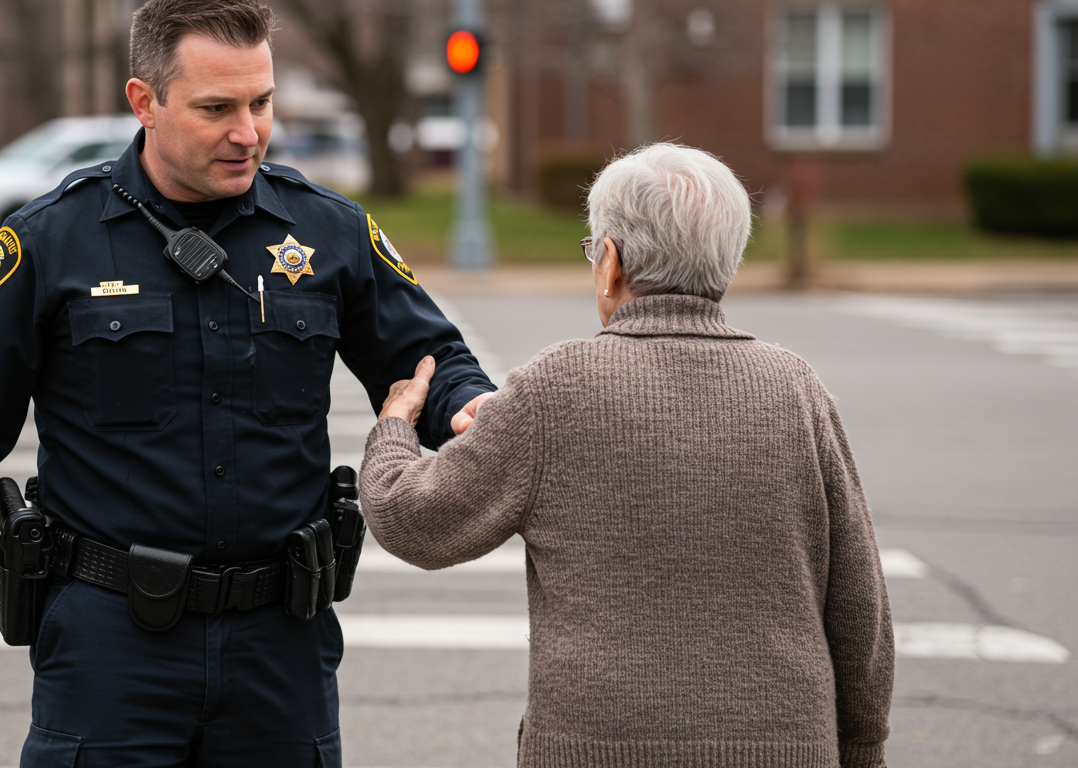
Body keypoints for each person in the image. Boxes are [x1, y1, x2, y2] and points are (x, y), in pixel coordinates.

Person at [0, 1, 495, 765]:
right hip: (110, 645)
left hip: (282, 645)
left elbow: (431, 359)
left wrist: (472, 408)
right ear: (145, 102)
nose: (249, 132)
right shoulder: (52, 241)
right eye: (216, 108)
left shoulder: (326, 231)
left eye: (261, 103)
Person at [361, 143, 894, 768]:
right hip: (785, 746)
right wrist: (862, 748)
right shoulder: (795, 389)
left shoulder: (555, 387)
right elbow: (860, 605)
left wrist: (396, 423)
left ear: (609, 261)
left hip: (597, 748)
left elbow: (412, 521)